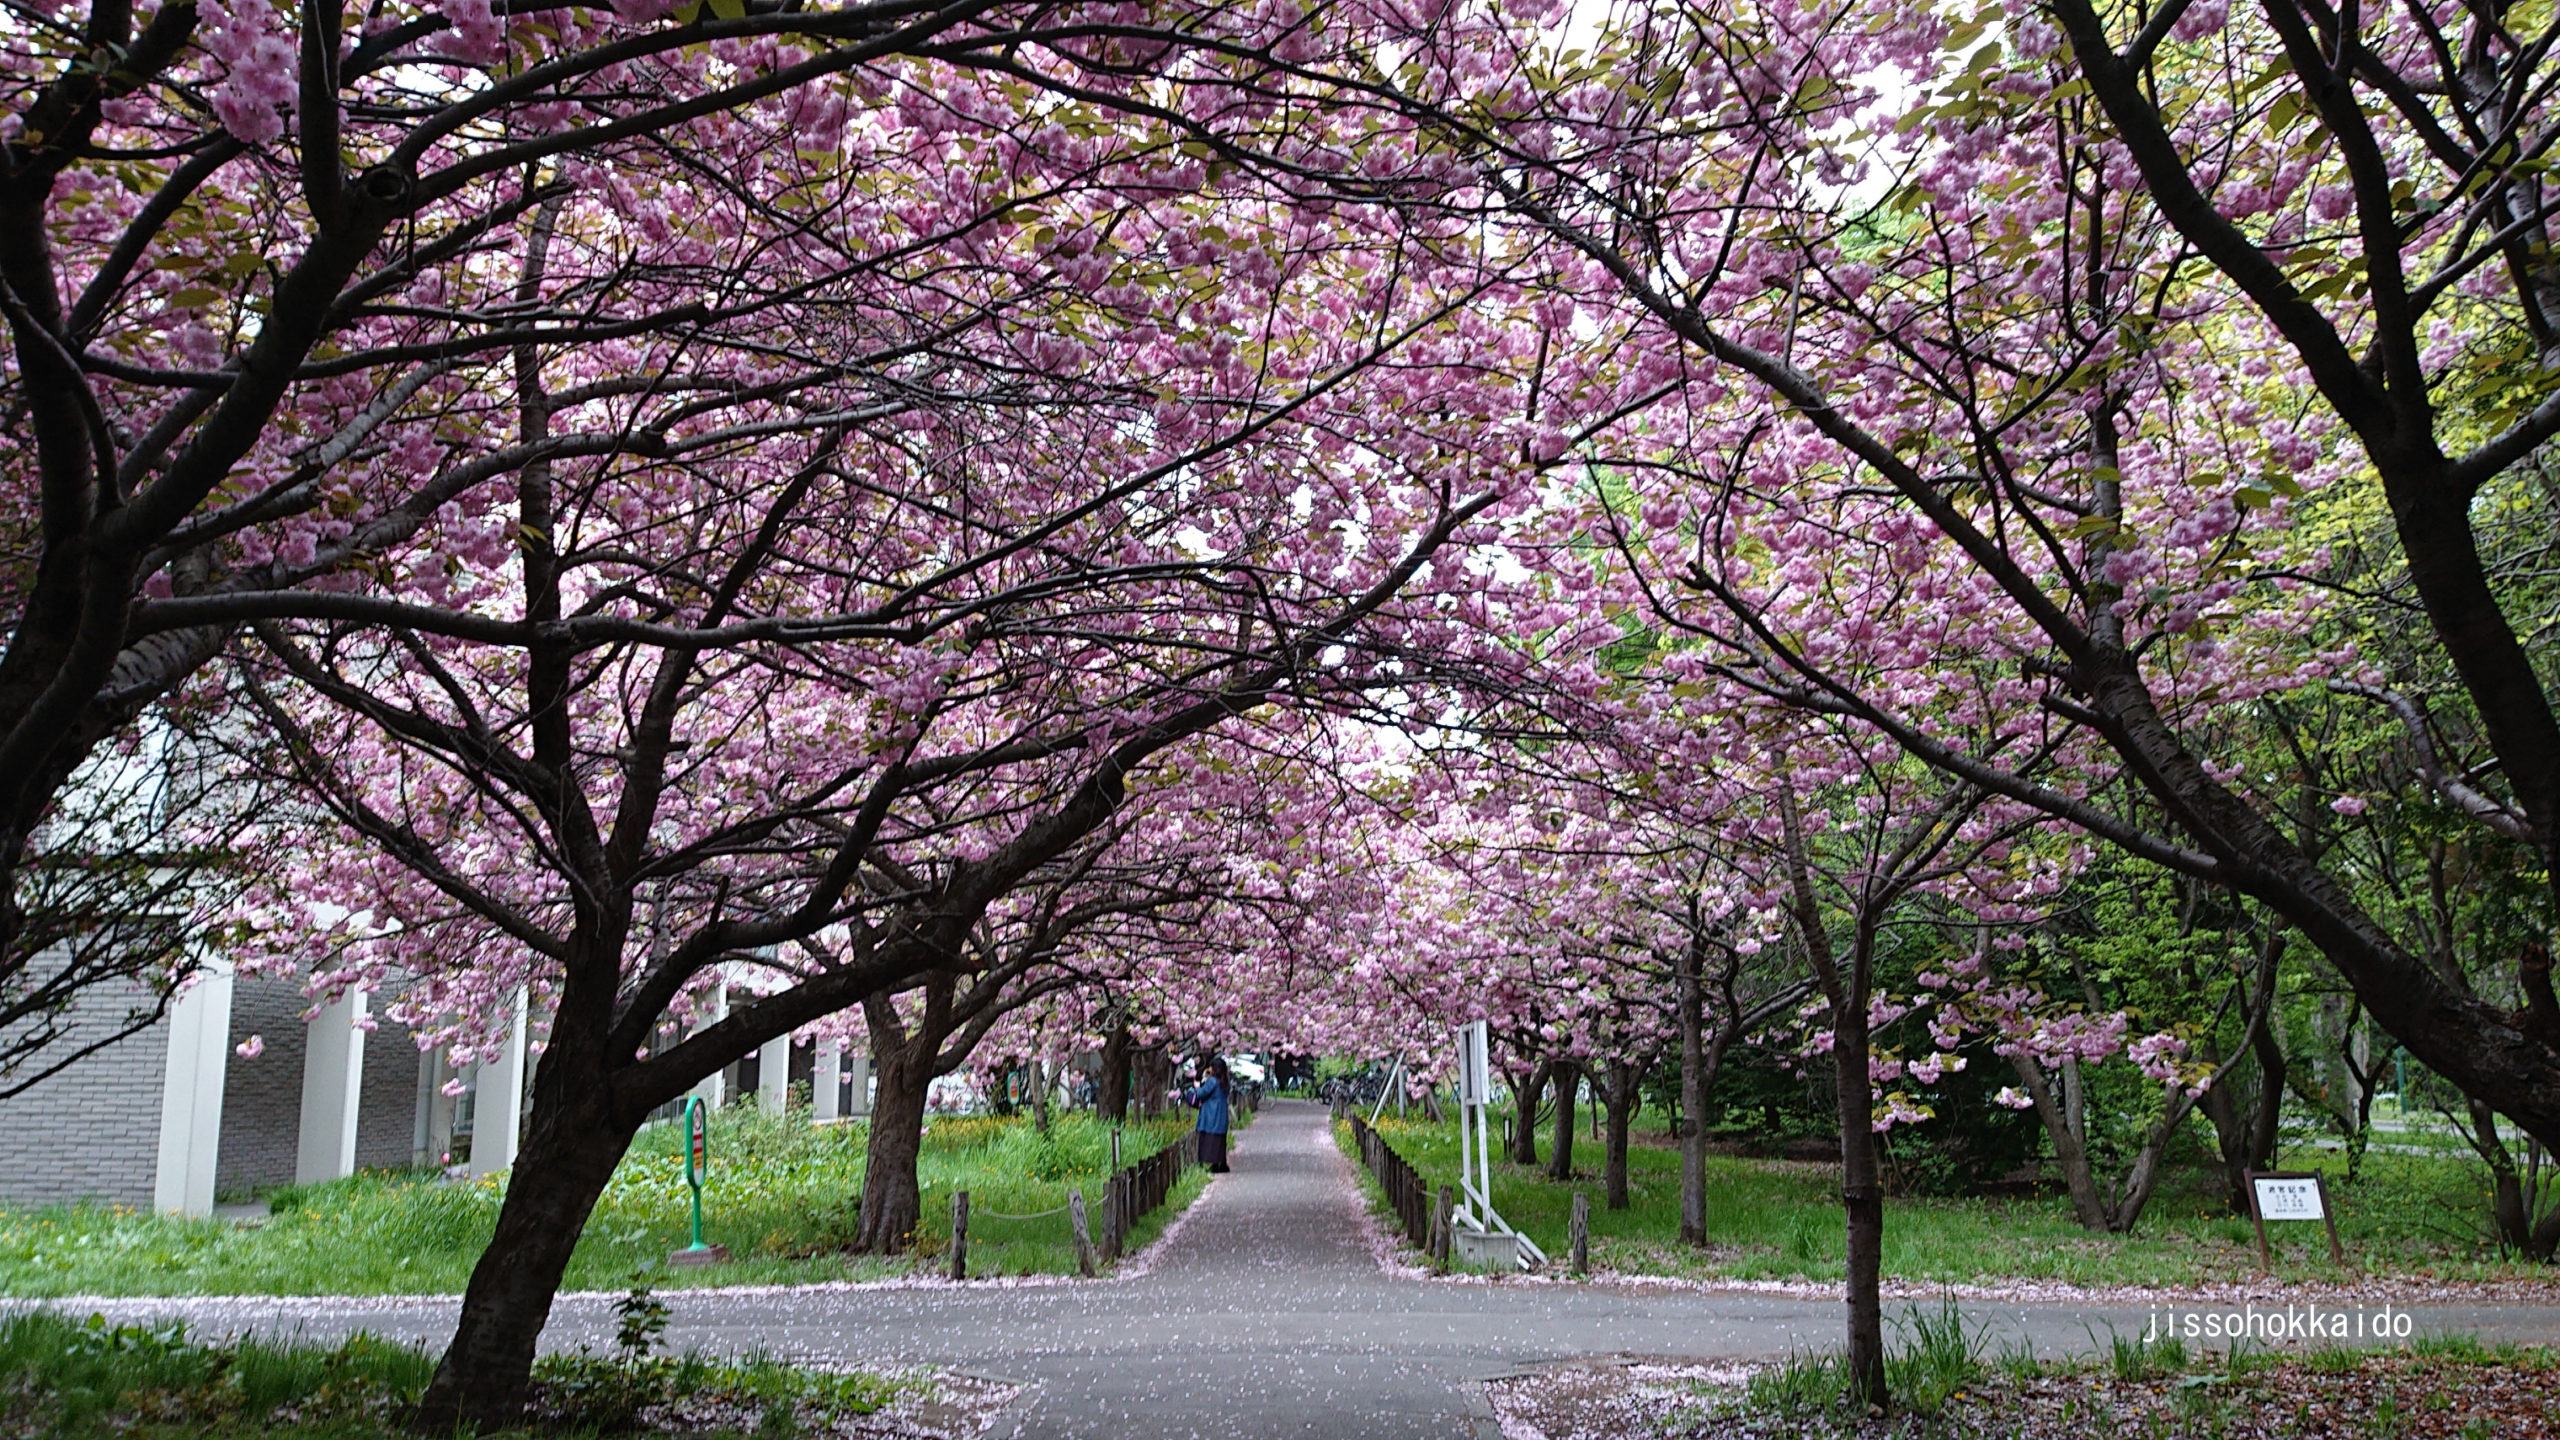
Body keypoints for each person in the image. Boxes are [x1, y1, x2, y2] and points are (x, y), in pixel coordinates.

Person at [1185, 1058, 1233, 1174]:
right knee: (1219, 1140)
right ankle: (1220, 1164)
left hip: (1212, 1112)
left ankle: (1211, 1163)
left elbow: (1201, 1093)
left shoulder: (1212, 1081)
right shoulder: (1225, 1081)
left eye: (1211, 1067)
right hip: (1221, 1112)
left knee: (1210, 1138)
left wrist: (1196, 1086)